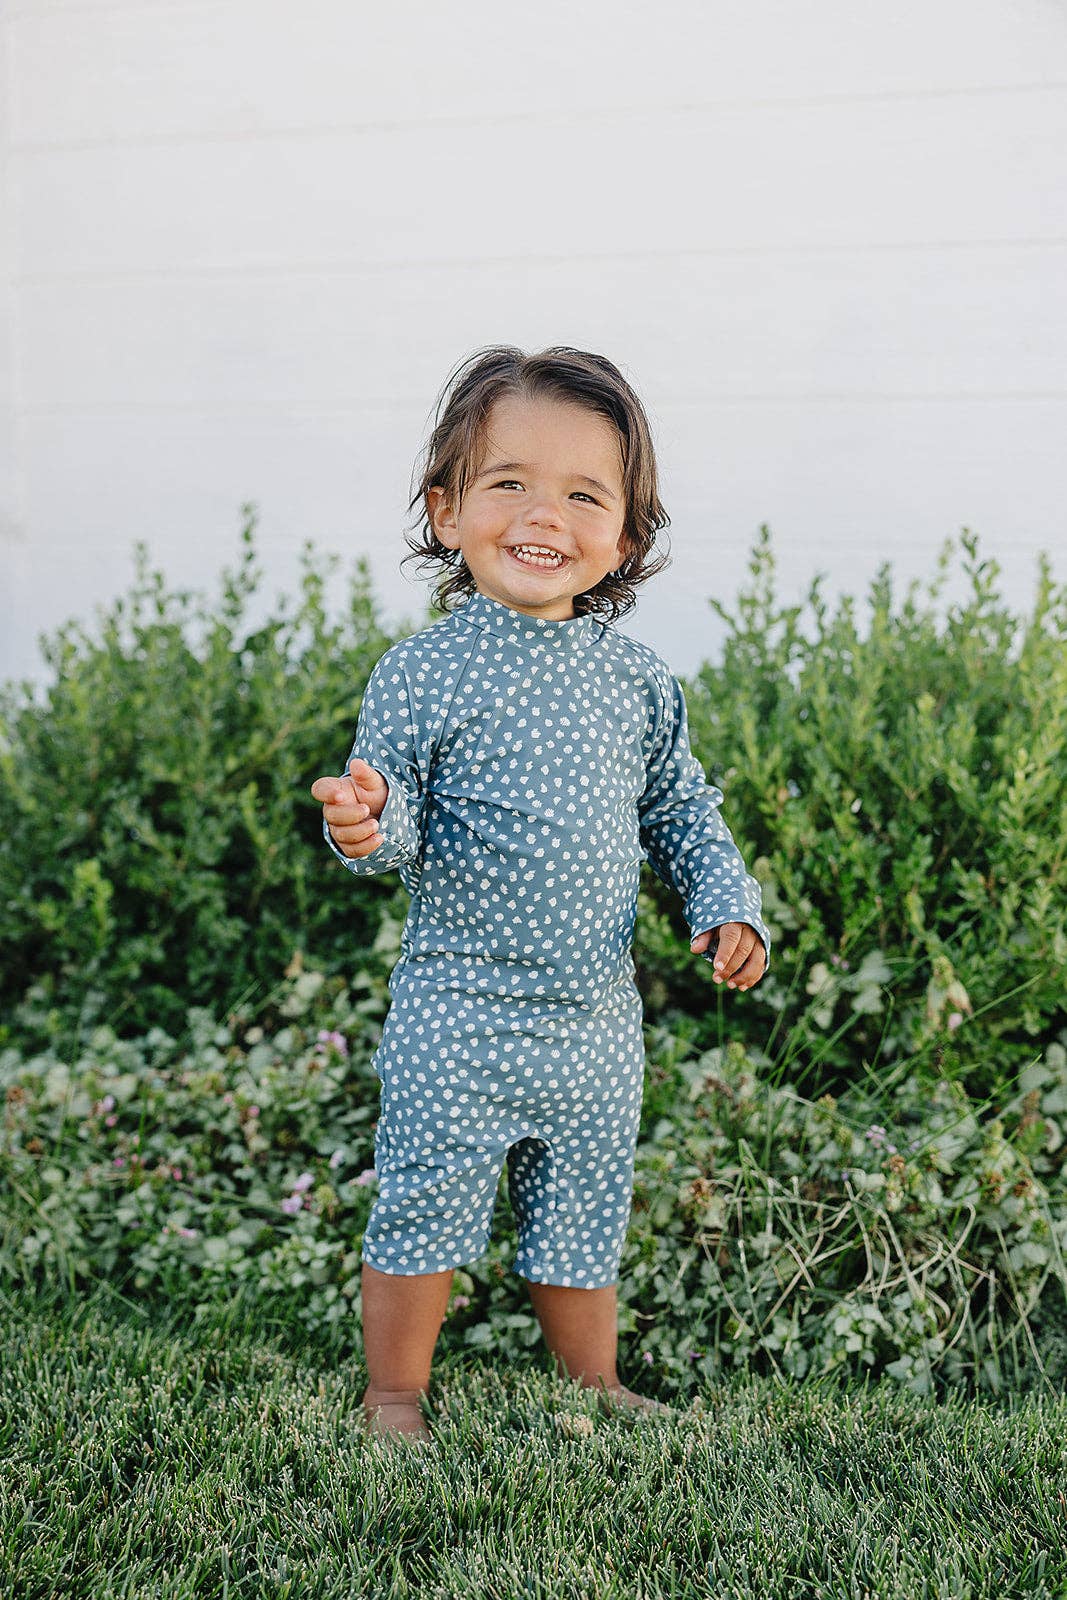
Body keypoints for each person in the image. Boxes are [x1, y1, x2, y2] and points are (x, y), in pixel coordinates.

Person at [310, 345, 771, 1445]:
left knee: (582, 1208)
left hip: (593, 1022)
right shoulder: (421, 672)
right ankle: (393, 1394)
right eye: (508, 481)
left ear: (624, 535)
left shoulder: (634, 682)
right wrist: (369, 822)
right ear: (447, 504)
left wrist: (727, 901)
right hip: (456, 1009)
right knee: (424, 1197)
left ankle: (593, 1381)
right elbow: (400, 824)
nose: (541, 515)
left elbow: (680, 812)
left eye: (582, 493)